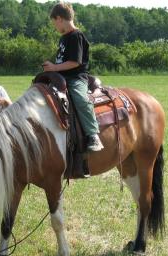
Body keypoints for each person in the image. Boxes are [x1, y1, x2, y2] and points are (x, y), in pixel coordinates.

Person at [42, 2, 104, 152]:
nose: (55, 27)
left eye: (54, 23)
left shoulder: (76, 36)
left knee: (81, 100)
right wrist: (51, 68)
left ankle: (93, 135)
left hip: (75, 78)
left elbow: (75, 62)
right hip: (60, 77)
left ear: (59, 19)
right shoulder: (63, 38)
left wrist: (55, 67)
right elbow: (62, 60)